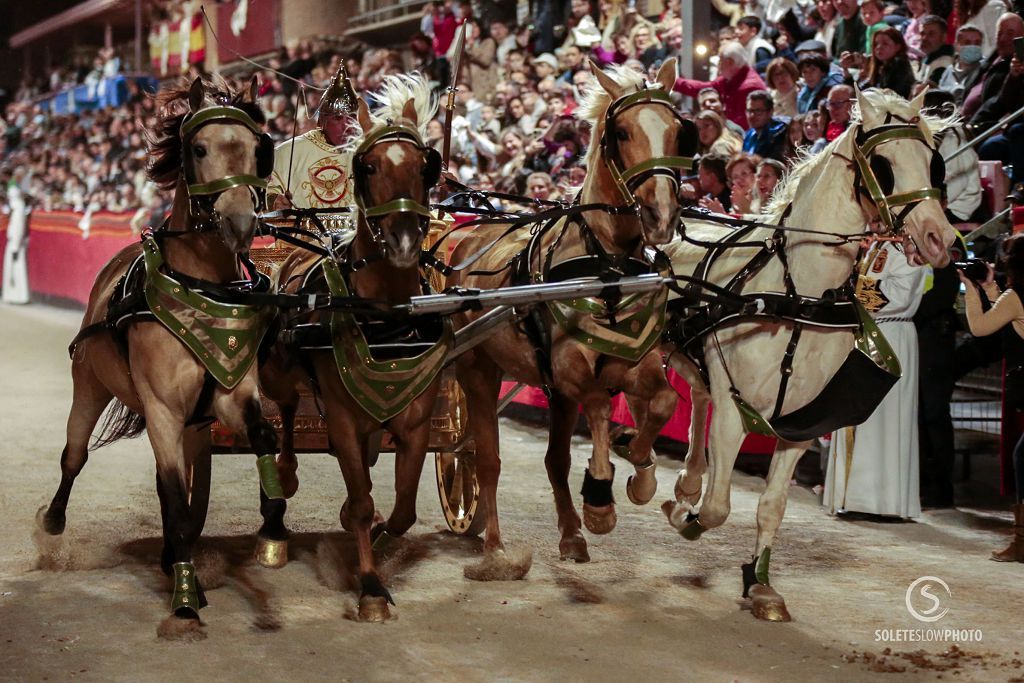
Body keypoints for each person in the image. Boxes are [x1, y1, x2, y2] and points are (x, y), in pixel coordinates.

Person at [825, 232, 927, 520]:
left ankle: (883, 501)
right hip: (871, 331)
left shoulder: (910, 247)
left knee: (886, 416)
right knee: (862, 415)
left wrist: (851, 288)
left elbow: (900, 293)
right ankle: (857, 498)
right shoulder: (879, 246)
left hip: (891, 334)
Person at [960, 232, 1024, 561]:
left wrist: (972, 289)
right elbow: (1010, 314)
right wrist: (988, 288)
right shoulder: (1014, 296)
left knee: (1022, 458)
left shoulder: (1015, 295)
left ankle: (1022, 542)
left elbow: (981, 326)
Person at [268, 65, 360, 214]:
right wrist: (274, 201)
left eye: (353, 118)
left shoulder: (367, 151)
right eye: (338, 118)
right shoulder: (289, 152)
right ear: (322, 121)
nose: (348, 126)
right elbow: (267, 190)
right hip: (303, 236)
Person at [674, 41, 768, 130]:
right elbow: (704, 88)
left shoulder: (750, 87)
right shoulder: (731, 78)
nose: (718, 66)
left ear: (730, 62)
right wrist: (673, 82)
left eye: (720, 61)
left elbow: (741, 125)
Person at [937, 23, 986, 104]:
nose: (973, 47)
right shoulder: (948, 71)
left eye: (977, 43)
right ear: (957, 45)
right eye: (967, 43)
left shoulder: (985, 69)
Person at [2, 167, 30, 305]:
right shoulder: (16, 207)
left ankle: (17, 296)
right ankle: (12, 295)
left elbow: (18, 228)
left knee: (15, 268)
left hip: (15, 244)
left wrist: (14, 247)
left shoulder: (18, 208)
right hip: (13, 242)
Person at [742, 90, 790, 161]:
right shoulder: (749, 135)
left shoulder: (779, 133)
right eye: (750, 111)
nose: (752, 116)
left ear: (770, 112)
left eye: (758, 111)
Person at [916, 15, 956, 88]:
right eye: (922, 33)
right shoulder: (929, 56)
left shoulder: (944, 65)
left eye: (931, 34)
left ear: (943, 37)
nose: (924, 38)